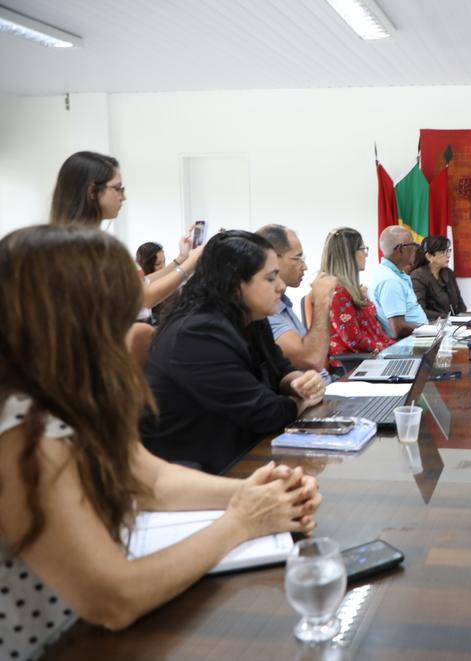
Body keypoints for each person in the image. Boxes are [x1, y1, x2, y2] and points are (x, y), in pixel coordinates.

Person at [0, 226, 320, 658]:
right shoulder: (21, 431)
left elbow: (150, 479)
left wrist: (258, 493)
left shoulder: (72, 395)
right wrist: (242, 521)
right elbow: (115, 598)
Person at [140, 230, 326, 474]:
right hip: (197, 472)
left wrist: (300, 383)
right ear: (236, 284)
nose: (281, 286)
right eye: (270, 278)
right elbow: (266, 414)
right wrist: (304, 400)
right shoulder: (198, 334)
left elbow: (281, 370)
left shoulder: (251, 317)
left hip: (241, 453)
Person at [50, 151, 203, 312]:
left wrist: (182, 259)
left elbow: (138, 284)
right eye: (117, 189)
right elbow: (144, 296)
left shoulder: (64, 243)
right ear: (93, 192)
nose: (123, 197)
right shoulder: (96, 248)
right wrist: (191, 263)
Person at [255, 224, 336, 384]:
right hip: (317, 391)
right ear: (272, 259)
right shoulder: (264, 310)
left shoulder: (283, 302)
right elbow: (312, 359)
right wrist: (321, 302)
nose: (304, 267)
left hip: (324, 385)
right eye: (298, 258)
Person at [320, 227, 395, 364]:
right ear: (348, 254)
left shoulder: (351, 290)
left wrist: (396, 348)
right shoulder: (338, 294)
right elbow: (355, 341)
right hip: (357, 365)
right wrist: (390, 350)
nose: (366, 254)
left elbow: (373, 332)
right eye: (363, 249)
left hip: (375, 357)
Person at [370, 225, 428, 339]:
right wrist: (431, 330)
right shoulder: (390, 281)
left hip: (418, 337)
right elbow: (399, 328)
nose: (416, 249)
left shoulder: (393, 274)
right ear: (401, 249)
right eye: (413, 245)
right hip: (408, 343)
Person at [410, 235, 467, 321]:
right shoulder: (418, 276)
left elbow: (460, 305)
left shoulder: (448, 273)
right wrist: (448, 318)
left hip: (453, 324)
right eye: (443, 252)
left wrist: (463, 319)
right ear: (429, 256)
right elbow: (420, 310)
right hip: (431, 325)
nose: (448, 255)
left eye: (448, 251)